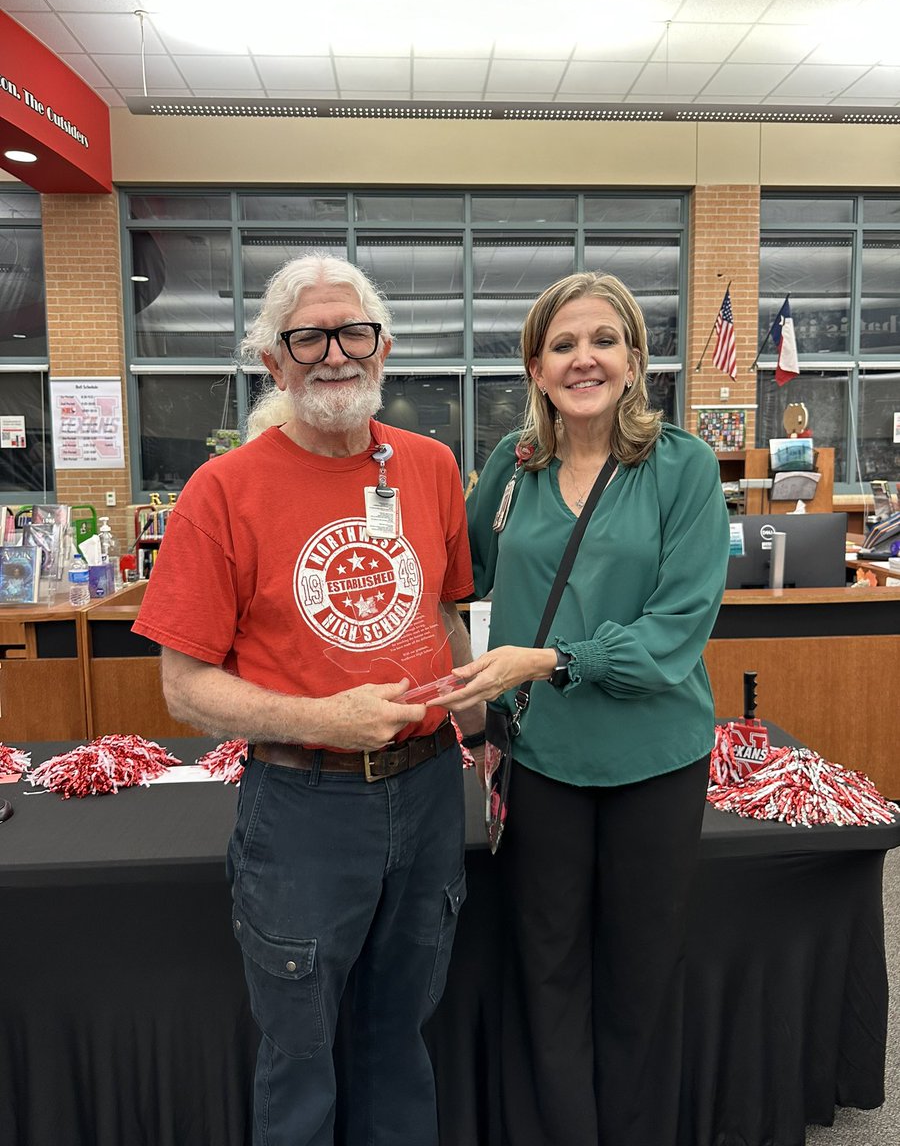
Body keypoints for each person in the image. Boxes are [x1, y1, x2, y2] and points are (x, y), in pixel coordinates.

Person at [132, 254, 484, 1146]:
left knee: (400, 1035)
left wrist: (473, 710)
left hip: (431, 788)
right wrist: (325, 719)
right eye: (308, 336)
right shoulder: (223, 492)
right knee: (300, 1055)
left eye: (353, 332)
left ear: (384, 347)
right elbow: (184, 687)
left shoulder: (433, 467)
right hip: (303, 807)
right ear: (272, 362)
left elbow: (445, 609)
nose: (335, 353)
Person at [436, 272, 730, 1146]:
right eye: (562, 344)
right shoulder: (510, 470)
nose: (584, 357)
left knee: (640, 972)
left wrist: (554, 657)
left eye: (604, 339)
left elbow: (676, 630)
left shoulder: (683, 466)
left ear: (635, 360)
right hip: (544, 762)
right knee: (547, 968)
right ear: (535, 367)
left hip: (656, 762)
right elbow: (452, 577)